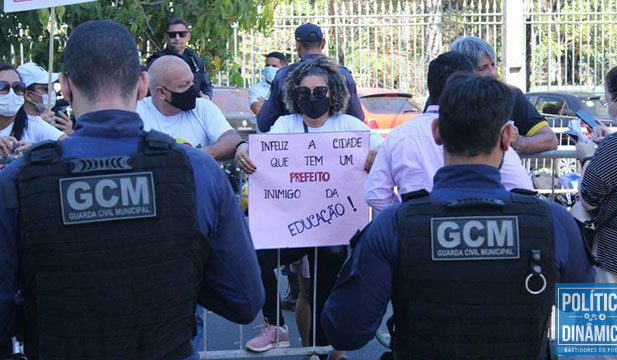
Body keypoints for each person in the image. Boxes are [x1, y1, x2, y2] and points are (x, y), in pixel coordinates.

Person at [0, 20, 264, 360]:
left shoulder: (18, 181)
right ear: (142, 85)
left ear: (64, 87)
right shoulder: (196, 171)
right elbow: (244, 301)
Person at [322, 73, 594, 359]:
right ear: (506, 138)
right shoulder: (554, 222)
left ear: (437, 131)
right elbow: (599, 333)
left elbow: (345, 331)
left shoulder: (393, 226)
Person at [236, 55, 381, 359]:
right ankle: (276, 325)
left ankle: (320, 352)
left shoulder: (350, 126)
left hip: (332, 230)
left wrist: (378, 151)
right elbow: (264, 154)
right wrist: (244, 149)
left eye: (320, 91)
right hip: (290, 228)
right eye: (304, 92)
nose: (312, 97)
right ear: (294, 96)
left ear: (333, 94)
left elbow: (385, 147)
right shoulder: (284, 124)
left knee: (321, 295)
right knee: (253, 258)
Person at [365, 51, 533, 212]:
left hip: (416, 236)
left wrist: (407, 217)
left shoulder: (399, 136)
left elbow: (375, 194)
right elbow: (521, 189)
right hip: (480, 234)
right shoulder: (485, 130)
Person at [576, 61, 617, 360]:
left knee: (608, 351)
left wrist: (589, 157)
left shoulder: (616, 148)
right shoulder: (616, 145)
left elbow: (589, 199)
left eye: (607, 100)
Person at [450, 36, 558, 153]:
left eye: (493, 65)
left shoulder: (511, 96)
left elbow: (550, 140)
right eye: (483, 68)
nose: (493, 73)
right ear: (463, 72)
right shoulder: (446, 100)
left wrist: (518, 141)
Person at [256, 23, 364, 132]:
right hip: (336, 144)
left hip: (294, 144)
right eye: (304, 91)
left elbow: (265, 123)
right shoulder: (343, 75)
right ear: (323, 43)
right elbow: (357, 120)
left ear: (298, 45)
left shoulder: (283, 75)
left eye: (320, 91)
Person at [138, 55, 244, 161]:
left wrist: (194, 155)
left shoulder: (203, 107)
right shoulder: (137, 112)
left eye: (192, 82)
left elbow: (232, 140)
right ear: (161, 92)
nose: (192, 89)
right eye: (184, 85)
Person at [0, 63, 66, 165]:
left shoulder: (33, 125)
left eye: (17, 88)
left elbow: (72, 148)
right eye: (3, 87)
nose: (11, 94)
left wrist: (38, 151)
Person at [147, 17, 213, 100]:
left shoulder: (195, 61)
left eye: (181, 34)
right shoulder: (157, 61)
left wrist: (207, 97)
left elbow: (206, 86)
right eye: (172, 34)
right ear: (166, 37)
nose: (177, 38)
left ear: (188, 36)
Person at [17, 62, 74, 135]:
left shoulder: (59, 119)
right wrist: (40, 128)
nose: (52, 92)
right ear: (28, 95)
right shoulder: (15, 124)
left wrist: (71, 134)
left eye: (52, 86)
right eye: (46, 88)